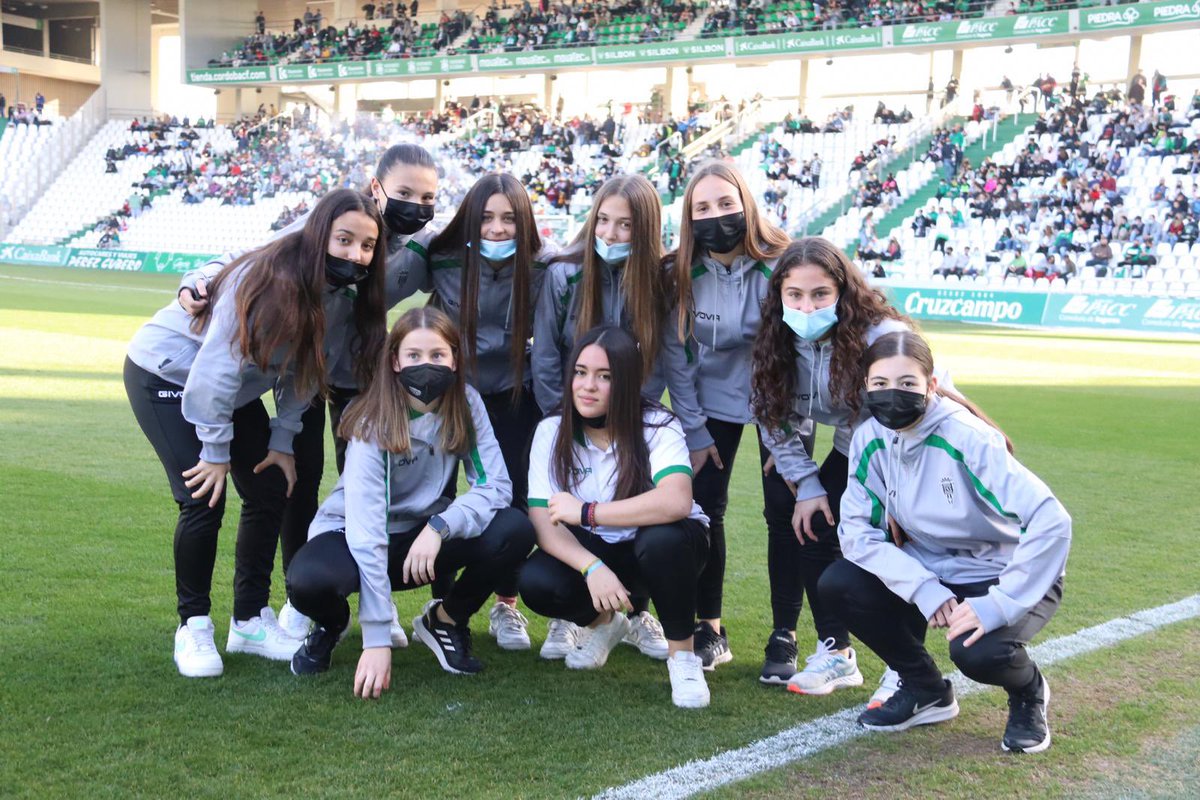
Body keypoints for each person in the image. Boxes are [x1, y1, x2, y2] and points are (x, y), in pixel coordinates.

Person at [177, 144, 439, 643]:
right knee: (301, 481)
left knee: (366, 483)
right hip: (307, 370)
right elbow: (251, 258)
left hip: (354, 374)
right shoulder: (335, 224)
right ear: (376, 187)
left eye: (427, 197)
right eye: (404, 192)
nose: (416, 205)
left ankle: (366, 599)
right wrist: (200, 278)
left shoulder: (420, 249)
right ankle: (303, 604)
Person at [124, 189, 388, 678]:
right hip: (167, 374)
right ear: (317, 236)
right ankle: (193, 625)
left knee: (270, 486)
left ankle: (248, 619)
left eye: (367, 247)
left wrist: (283, 442)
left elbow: (304, 371)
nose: (355, 255)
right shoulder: (270, 281)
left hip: (231, 391)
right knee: (203, 496)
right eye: (345, 240)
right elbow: (215, 374)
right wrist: (215, 452)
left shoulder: (336, 296)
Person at [820, 331, 1070, 753]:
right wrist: (922, 587)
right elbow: (857, 533)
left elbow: (1051, 519)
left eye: (907, 384)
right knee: (838, 585)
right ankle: (925, 690)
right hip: (933, 568)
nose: (891, 395)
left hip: (1000, 573)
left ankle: (1028, 692)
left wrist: (997, 605)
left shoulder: (968, 437)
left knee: (977, 653)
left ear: (931, 385)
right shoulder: (869, 438)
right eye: (879, 385)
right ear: (865, 386)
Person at [286, 308, 535, 692]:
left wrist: (441, 526)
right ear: (395, 362)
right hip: (354, 535)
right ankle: (333, 625)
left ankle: (445, 620)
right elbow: (367, 529)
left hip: (422, 541)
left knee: (515, 528)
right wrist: (376, 637)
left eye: (437, 355)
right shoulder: (372, 420)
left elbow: (496, 486)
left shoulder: (465, 403)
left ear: (454, 359)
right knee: (307, 581)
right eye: (414, 356)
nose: (427, 365)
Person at [531, 173, 693, 661]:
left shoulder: (661, 280)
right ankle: (573, 616)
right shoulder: (564, 274)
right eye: (603, 220)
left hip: (631, 425)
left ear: (644, 230)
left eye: (625, 225)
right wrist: (563, 424)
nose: (610, 233)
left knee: (637, 518)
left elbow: (664, 360)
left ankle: (637, 614)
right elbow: (545, 356)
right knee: (564, 506)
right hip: (566, 417)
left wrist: (630, 421)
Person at [664, 161, 810, 684]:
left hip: (782, 402)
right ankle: (710, 628)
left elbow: (802, 351)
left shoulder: (785, 265)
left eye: (726, 204)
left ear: (747, 205)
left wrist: (786, 434)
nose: (716, 216)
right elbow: (675, 360)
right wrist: (696, 430)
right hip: (710, 402)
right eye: (701, 208)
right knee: (705, 511)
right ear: (687, 217)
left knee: (783, 509)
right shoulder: (678, 271)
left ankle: (785, 634)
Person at [752, 237, 915, 697]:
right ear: (779, 294)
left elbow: (886, 420)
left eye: (820, 294)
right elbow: (771, 416)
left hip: (898, 442)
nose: (807, 305)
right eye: (795, 295)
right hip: (855, 437)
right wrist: (807, 485)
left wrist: (875, 498)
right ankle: (837, 652)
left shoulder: (878, 338)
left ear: (842, 292)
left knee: (887, 537)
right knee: (813, 521)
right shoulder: (773, 337)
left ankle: (905, 664)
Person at [518, 326, 712, 708]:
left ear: (626, 381)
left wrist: (589, 512)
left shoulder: (657, 424)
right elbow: (543, 522)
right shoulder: (551, 430)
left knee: (663, 540)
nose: (588, 386)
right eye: (580, 372)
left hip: (660, 550)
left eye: (604, 376)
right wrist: (591, 568)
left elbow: (675, 501)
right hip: (600, 554)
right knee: (536, 580)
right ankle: (606, 625)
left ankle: (683, 658)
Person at [400, 173, 555, 651]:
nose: (496, 228)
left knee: (512, 501)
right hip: (450, 392)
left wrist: (553, 413)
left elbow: (555, 334)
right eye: (486, 217)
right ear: (470, 218)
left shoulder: (543, 264)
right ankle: (442, 601)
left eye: (509, 218)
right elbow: (383, 284)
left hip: (513, 390)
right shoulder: (441, 256)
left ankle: (505, 606)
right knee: (437, 495)